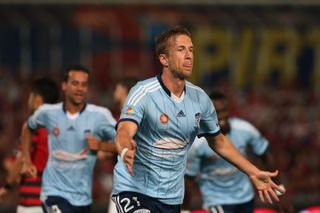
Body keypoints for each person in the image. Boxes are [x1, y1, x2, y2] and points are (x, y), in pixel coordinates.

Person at [111, 26, 285, 213]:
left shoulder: (200, 99)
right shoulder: (143, 92)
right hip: (135, 191)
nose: (189, 55)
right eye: (181, 49)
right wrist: (125, 149)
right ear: (164, 59)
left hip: (171, 198)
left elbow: (219, 142)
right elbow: (124, 130)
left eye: (191, 49)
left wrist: (253, 172)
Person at [23, 65, 117, 212]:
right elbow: (28, 128)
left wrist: (102, 146)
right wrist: (27, 160)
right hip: (53, 193)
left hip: (83, 199)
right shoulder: (47, 112)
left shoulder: (100, 116)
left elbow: (123, 143)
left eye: (84, 85)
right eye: (75, 83)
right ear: (64, 85)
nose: (80, 89)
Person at [183, 90, 294, 213]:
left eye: (224, 110)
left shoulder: (245, 130)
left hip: (245, 198)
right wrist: (185, 210)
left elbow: (265, 156)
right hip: (216, 201)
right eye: (216, 112)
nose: (220, 116)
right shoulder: (198, 143)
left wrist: (280, 193)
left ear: (230, 110)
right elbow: (188, 180)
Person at [0, 78, 60, 213]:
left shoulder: (35, 127)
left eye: (30, 97)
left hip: (33, 203)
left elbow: (22, 160)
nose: (28, 101)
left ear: (37, 100)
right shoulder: (59, 127)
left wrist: (7, 186)